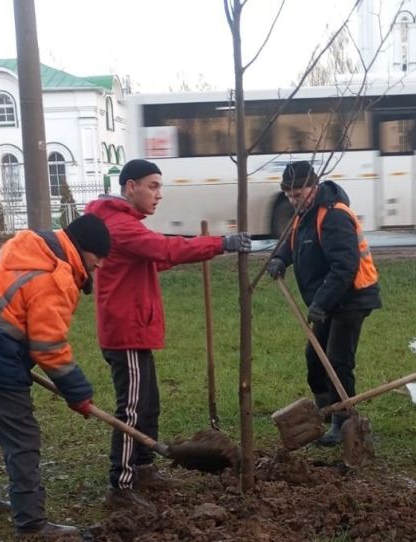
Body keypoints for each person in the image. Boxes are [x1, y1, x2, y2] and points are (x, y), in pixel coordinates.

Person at [85, 158, 251, 511]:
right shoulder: (119, 224)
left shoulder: (125, 223)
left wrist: (196, 250)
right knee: (131, 410)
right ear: (131, 187)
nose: (159, 195)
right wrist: (220, 244)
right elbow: (163, 249)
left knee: (148, 404)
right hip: (124, 332)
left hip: (136, 329)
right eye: (153, 186)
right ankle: (121, 486)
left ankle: (143, 467)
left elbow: (158, 258)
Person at [0, 214, 111, 540]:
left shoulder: (31, 247)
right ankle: (32, 524)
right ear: (82, 249)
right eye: (98, 256)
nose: (100, 264)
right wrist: (78, 392)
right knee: (23, 441)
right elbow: (49, 345)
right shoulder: (55, 276)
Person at [266, 160, 381, 446]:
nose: (293, 200)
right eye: (289, 196)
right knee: (314, 357)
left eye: (298, 193)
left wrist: (320, 303)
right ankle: (325, 408)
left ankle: (343, 421)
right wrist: (281, 257)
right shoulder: (304, 215)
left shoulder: (333, 216)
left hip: (352, 297)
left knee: (337, 361)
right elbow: (294, 242)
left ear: (313, 186)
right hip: (328, 299)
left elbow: (344, 266)